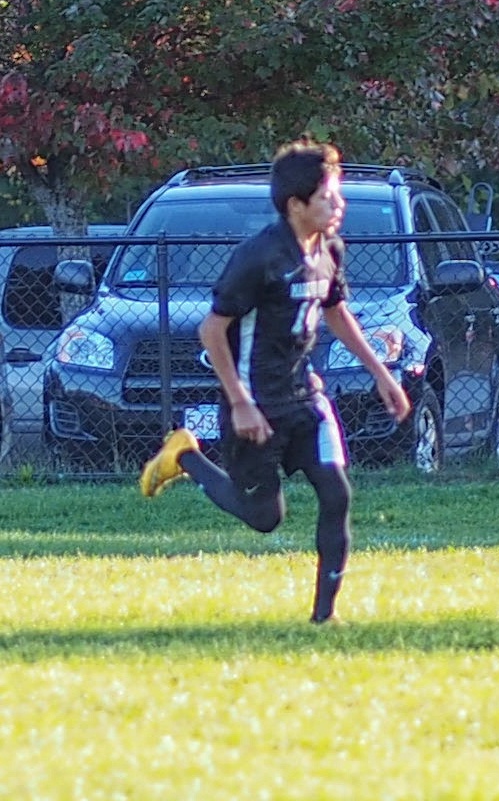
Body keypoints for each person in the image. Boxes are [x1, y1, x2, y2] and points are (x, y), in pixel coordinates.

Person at [138, 138, 412, 623]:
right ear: (295, 204)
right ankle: (184, 457)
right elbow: (211, 330)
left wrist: (381, 374)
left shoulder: (329, 248)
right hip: (257, 402)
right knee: (265, 517)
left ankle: (324, 618)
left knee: (337, 494)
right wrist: (240, 401)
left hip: (305, 396)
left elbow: (335, 312)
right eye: (328, 196)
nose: (339, 204)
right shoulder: (260, 256)